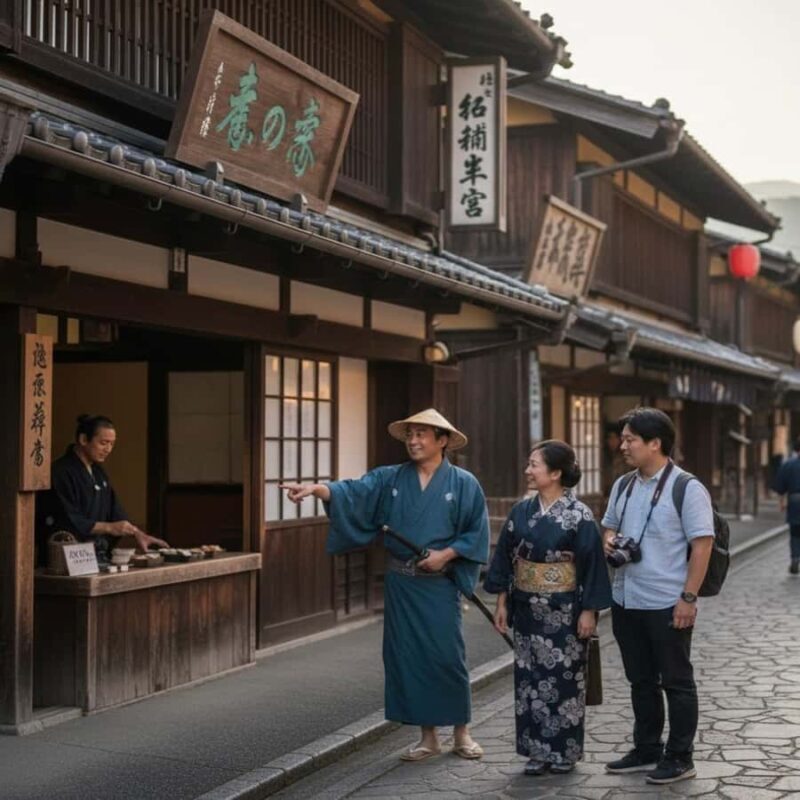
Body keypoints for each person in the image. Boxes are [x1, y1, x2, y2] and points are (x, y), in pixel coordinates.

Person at [281, 408, 489, 762]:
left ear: (442, 441)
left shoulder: (464, 483)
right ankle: (428, 737)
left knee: (447, 657)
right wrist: (317, 489)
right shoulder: (390, 478)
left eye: (421, 434)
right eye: (410, 434)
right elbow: (353, 492)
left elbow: (476, 530)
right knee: (408, 657)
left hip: (439, 584)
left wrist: (446, 555)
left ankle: (461, 733)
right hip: (402, 583)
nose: (413, 441)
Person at [484, 440, 611, 776]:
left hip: (564, 611)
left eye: (534, 465)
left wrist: (589, 611)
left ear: (555, 473)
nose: (528, 470)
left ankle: (564, 751)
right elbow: (505, 558)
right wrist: (501, 602)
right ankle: (536, 751)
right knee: (529, 679)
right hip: (526, 609)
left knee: (564, 679)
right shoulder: (520, 511)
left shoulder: (579, 515)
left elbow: (592, 566)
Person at [601, 407, 714, 785]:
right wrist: (610, 541)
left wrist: (688, 598)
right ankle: (647, 748)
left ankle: (680, 757)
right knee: (640, 679)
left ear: (655, 443)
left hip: (667, 601)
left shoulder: (687, 488)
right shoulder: (624, 484)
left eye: (630, 439)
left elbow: (702, 545)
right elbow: (608, 528)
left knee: (677, 681)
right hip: (626, 598)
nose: (623, 446)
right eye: (623, 439)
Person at [37, 414, 168, 563]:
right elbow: (68, 518)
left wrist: (137, 533)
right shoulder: (60, 472)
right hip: (64, 557)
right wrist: (109, 528)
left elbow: (114, 510)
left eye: (112, 444)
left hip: (94, 555)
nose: (108, 449)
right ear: (83, 439)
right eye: (104, 443)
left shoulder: (98, 472)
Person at [772, 435, 800, 574]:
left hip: (795, 502)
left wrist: (781, 502)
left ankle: (795, 558)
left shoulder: (788, 465)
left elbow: (780, 487)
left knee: (795, 533)